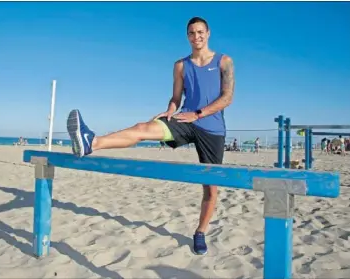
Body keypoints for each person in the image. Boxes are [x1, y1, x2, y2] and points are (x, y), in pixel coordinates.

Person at [66, 16, 235, 255]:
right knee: (144, 127)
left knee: (211, 188)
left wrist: (198, 114)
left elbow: (227, 97)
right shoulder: (180, 65)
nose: (196, 37)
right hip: (184, 119)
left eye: (200, 32)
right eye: (191, 33)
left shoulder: (223, 61)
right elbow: (176, 97)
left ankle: (200, 232)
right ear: (187, 36)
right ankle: (91, 142)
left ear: (208, 34)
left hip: (211, 128)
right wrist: (170, 110)